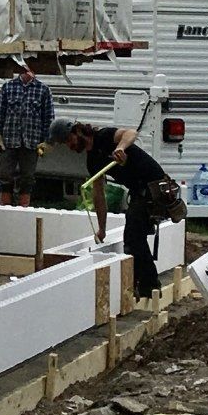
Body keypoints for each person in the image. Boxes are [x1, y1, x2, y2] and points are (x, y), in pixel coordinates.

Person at [59, 119, 181, 302]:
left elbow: (130, 133)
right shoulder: (92, 161)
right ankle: (143, 285)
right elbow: (99, 195)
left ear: (77, 131)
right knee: (134, 235)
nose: (69, 146)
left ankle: (149, 288)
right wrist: (102, 228)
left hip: (154, 186)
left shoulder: (105, 136)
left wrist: (121, 148)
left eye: (69, 140)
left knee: (132, 236)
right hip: (139, 192)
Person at [0, 57, 54, 203]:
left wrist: (47, 142)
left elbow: (48, 118)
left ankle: (23, 211)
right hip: (9, 141)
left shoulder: (43, 90)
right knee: (4, 176)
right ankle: (4, 210)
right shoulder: (8, 87)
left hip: (32, 142)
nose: (28, 71)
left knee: (27, 179)